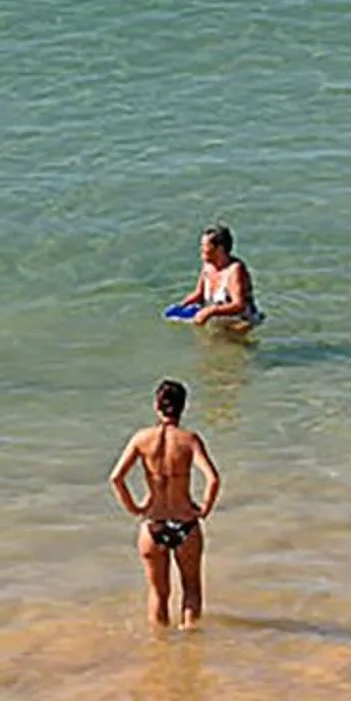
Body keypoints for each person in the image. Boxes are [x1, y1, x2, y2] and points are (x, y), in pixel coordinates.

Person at [109, 380, 221, 628]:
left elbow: (116, 478)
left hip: (153, 525)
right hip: (186, 524)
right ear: (183, 407)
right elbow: (213, 479)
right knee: (191, 588)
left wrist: (135, 508)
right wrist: (204, 509)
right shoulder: (189, 440)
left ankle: (161, 654)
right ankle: (191, 648)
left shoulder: (141, 439)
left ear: (156, 405)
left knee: (158, 593)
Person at [178, 224, 260, 333]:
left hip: (240, 322)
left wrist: (210, 311)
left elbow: (238, 305)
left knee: (230, 342)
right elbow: (199, 293)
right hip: (218, 320)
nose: (201, 249)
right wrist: (181, 306)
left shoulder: (235, 270)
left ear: (219, 249)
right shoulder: (208, 265)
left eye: (204, 246)